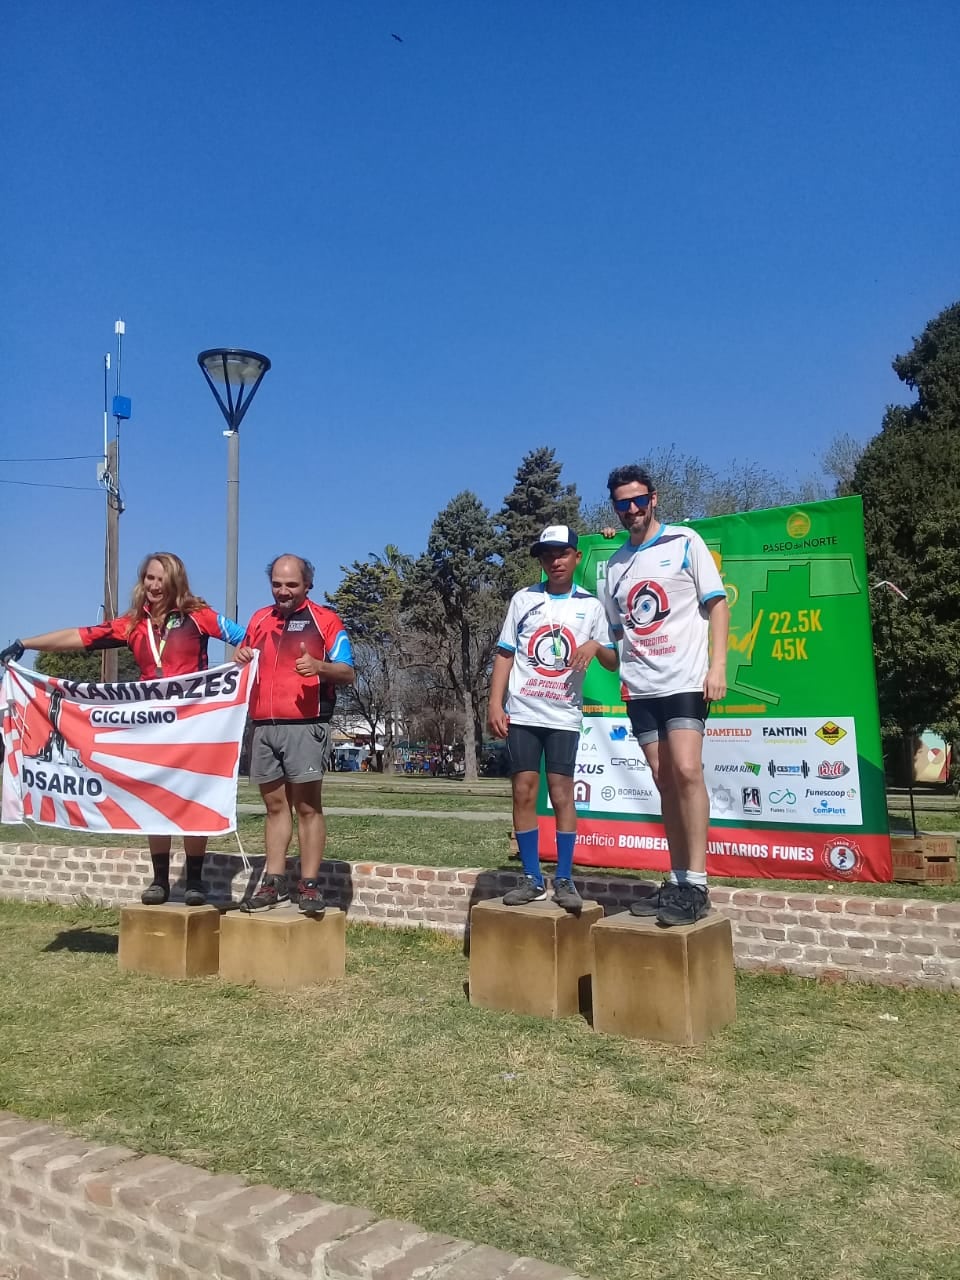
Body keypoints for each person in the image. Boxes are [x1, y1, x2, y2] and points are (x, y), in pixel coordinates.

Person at [0, 552, 245, 906]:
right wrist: (25, 643)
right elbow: (81, 636)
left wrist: (244, 653)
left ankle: (194, 879)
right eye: (148, 578)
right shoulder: (133, 624)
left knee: (195, 795)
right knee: (155, 797)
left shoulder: (198, 616)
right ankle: (160, 879)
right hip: (149, 726)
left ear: (175, 580)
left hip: (193, 724)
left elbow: (246, 637)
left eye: (161, 579)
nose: (154, 586)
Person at [601, 465, 729, 926]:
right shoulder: (612, 567)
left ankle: (697, 883)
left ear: (653, 499)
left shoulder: (685, 542)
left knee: (688, 770)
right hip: (641, 688)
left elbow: (717, 605)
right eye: (622, 503)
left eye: (638, 500)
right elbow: (619, 637)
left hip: (685, 680)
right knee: (664, 779)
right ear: (615, 508)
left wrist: (717, 666)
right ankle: (676, 879)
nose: (631, 509)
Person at [487, 525, 618, 912]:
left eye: (562, 553)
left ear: (577, 557)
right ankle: (531, 877)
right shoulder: (523, 599)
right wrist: (495, 703)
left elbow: (613, 662)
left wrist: (594, 645)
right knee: (523, 791)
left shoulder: (591, 606)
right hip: (524, 711)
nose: (555, 561)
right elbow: (505, 654)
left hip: (563, 715)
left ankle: (563, 878)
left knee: (562, 794)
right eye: (547, 555)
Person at [235, 554, 354, 916]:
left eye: (291, 585)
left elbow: (348, 673)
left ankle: (310, 883)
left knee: (306, 806)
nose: (283, 591)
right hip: (263, 726)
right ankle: (272, 882)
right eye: (276, 584)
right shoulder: (259, 619)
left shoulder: (326, 621)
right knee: (273, 807)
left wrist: (319, 667)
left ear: (307, 585)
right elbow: (248, 655)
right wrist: (241, 654)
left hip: (305, 724)